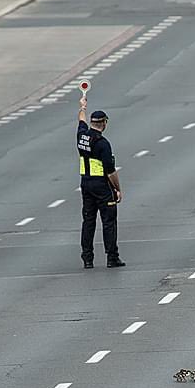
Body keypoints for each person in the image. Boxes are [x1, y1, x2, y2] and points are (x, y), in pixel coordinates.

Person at [77, 95, 124, 269]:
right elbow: (111, 172)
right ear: (104, 123)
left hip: (85, 184)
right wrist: (117, 189)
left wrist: (83, 106)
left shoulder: (81, 136)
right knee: (108, 221)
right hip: (102, 186)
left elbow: (80, 120)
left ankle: (87, 258)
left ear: (92, 122)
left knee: (88, 221)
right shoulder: (103, 144)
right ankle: (112, 257)